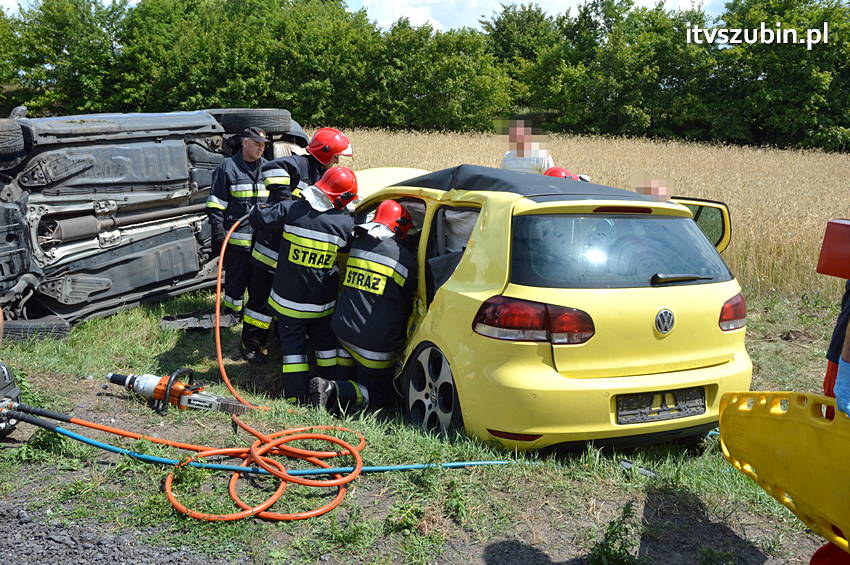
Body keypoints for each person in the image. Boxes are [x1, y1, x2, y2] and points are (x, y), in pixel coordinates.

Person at [240, 127, 353, 365]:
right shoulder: (299, 164)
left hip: (287, 255)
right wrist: (283, 199)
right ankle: (251, 345)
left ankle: (277, 342)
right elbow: (271, 167)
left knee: (284, 303)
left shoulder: (324, 174)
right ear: (324, 153)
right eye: (335, 155)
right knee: (259, 305)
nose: (337, 161)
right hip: (269, 253)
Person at [249, 166, 357, 402]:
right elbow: (350, 246)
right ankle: (330, 389)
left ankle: (295, 398)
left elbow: (259, 216)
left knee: (294, 351)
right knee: (326, 346)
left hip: (288, 303)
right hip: (321, 305)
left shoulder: (292, 209)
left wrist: (272, 200)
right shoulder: (345, 225)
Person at [310, 200, 417, 413]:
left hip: (343, 329)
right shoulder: (403, 259)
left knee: (347, 378)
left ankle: (335, 395)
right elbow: (410, 298)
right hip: (374, 342)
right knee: (378, 398)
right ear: (400, 225)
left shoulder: (359, 243)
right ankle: (331, 389)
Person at [205, 127, 270, 323]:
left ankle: (254, 316)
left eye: (263, 145)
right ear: (245, 142)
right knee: (235, 282)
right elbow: (215, 203)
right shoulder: (228, 168)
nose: (261, 148)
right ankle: (232, 315)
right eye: (257, 144)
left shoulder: (267, 168)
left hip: (262, 243)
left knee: (259, 283)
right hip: (236, 242)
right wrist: (217, 230)